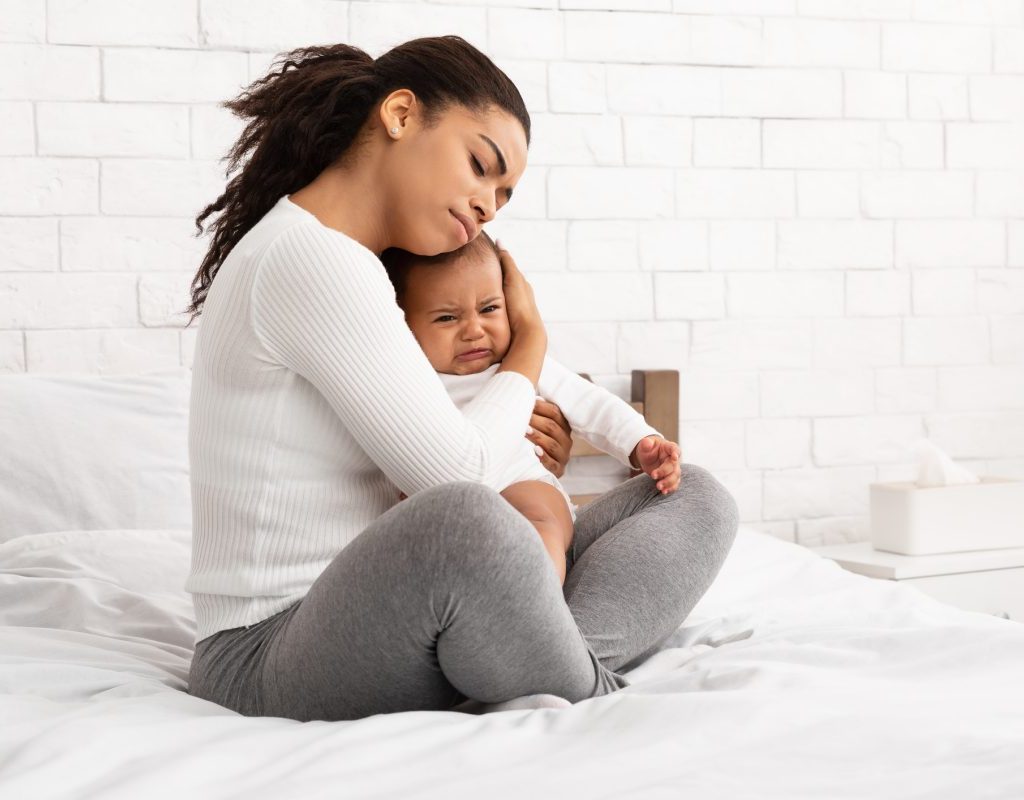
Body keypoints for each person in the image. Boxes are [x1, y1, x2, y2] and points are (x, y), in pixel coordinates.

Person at [183, 36, 740, 722]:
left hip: (395, 613)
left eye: (503, 195)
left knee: (692, 498)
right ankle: (583, 691)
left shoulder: (361, 265)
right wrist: (528, 345)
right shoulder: (311, 258)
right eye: (481, 166)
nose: (489, 205)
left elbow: (462, 451)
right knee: (468, 520)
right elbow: (458, 480)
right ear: (400, 114)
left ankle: (532, 653)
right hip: (269, 652)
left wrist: (522, 441)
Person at [380, 231, 683, 587]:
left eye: (489, 308)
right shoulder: (406, 380)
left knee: (539, 524)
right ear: (403, 325)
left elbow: (589, 401)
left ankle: (541, 598)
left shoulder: (522, 363)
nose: (474, 330)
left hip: (521, 484)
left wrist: (640, 442)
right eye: (447, 318)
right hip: (446, 513)